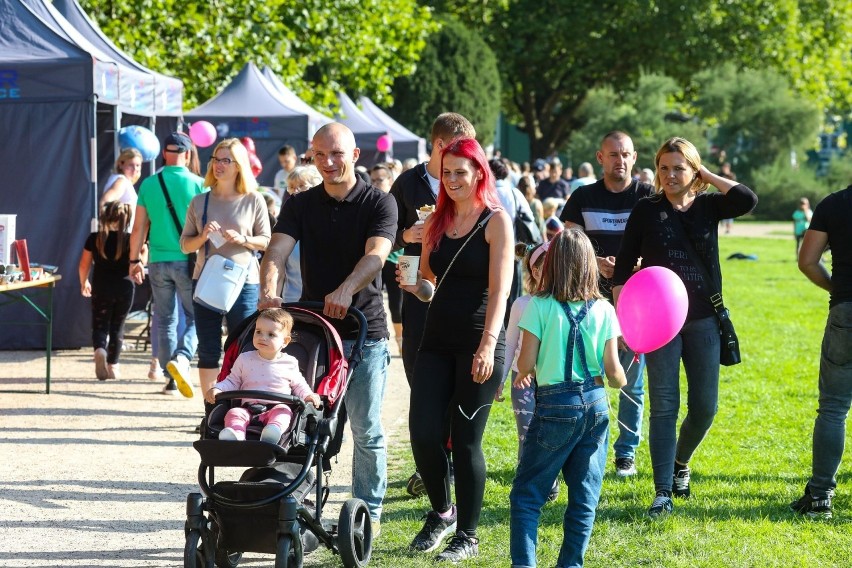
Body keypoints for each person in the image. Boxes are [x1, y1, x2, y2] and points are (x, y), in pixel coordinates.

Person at [259, 122, 397, 532]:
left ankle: (368, 514)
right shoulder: (301, 203)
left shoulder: (379, 203)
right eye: (320, 155)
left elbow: (377, 254)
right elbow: (277, 251)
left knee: (366, 428)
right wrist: (269, 291)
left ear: (355, 155)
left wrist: (345, 290)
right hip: (316, 331)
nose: (329, 162)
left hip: (364, 330)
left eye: (336, 154)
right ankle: (300, 503)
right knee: (307, 421)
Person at [612, 137, 757, 518]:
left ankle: (680, 461)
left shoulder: (709, 206)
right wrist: (625, 322)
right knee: (664, 406)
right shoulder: (646, 209)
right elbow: (624, 268)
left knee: (705, 407)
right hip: (659, 325)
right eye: (663, 168)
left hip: (704, 321)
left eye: (679, 168)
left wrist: (705, 174)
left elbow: (747, 199)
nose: (670, 175)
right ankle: (662, 491)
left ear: (693, 170)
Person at [401, 137, 513, 562]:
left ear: (479, 173)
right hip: (435, 341)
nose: (451, 180)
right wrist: (416, 286)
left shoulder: (496, 221)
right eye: (446, 173)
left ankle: (468, 534)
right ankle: (442, 511)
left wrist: (487, 345)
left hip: (478, 343)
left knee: (465, 443)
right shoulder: (437, 221)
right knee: (423, 432)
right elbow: (430, 284)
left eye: (460, 172)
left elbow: (501, 291)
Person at [509, 228, 626, 568]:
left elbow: (525, 362)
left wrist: (522, 371)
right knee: (584, 497)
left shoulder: (539, 306)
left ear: (552, 264)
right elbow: (614, 374)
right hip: (596, 403)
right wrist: (623, 374)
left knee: (527, 495)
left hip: (555, 406)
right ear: (590, 266)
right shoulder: (604, 309)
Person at [390, 112, 477, 497]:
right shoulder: (407, 184)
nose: (464, 161)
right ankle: (432, 462)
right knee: (423, 385)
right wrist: (407, 233)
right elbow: (383, 234)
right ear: (440, 146)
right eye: (458, 151)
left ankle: (447, 464)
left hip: (462, 303)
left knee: (458, 389)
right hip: (419, 297)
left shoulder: (472, 183)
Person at [559, 131, 655, 478]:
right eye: (613, 154)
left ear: (635, 156)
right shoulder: (582, 197)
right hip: (589, 300)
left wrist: (637, 262)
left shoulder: (648, 195)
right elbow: (568, 243)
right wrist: (596, 262)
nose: (621, 160)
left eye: (626, 154)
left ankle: (626, 452)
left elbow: (661, 239)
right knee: (585, 377)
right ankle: (583, 446)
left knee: (631, 380)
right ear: (600, 158)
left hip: (636, 301)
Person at [180, 138, 271, 401]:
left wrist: (243, 239)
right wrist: (203, 236)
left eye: (225, 160)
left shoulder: (254, 200)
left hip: (245, 282)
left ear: (239, 165)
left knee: (241, 346)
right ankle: (211, 409)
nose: (219, 165)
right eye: (215, 160)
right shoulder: (200, 201)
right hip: (207, 281)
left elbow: (266, 240)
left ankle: (236, 406)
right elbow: (185, 245)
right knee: (208, 348)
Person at [790, 183, 852, 519]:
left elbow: (808, 261)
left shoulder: (834, 203)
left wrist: (837, 288)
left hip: (846, 311)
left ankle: (820, 497)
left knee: (833, 408)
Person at [129, 132, 204, 395]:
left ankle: (170, 377)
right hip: (189, 260)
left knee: (165, 319)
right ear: (188, 154)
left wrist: (134, 259)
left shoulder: (149, 184)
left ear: (164, 154)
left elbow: (138, 228)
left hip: (158, 261)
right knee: (197, 316)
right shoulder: (199, 184)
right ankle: (181, 359)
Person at [496, 241, 562, 501]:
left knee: (552, 431)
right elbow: (510, 342)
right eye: (538, 267)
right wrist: (500, 379)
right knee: (527, 434)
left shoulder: (565, 304)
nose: (544, 272)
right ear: (532, 272)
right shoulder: (522, 304)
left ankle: (551, 477)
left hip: (554, 380)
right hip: (521, 381)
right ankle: (529, 483)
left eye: (550, 266)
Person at [205, 308, 321, 443]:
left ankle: (272, 432)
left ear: (285, 341)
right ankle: (236, 435)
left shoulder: (289, 362)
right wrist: (218, 388)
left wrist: (308, 395)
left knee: (284, 413)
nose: (262, 337)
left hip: (276, 406)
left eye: (271, 334)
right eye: (258, 331)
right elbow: (233, 381)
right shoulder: (244, 358)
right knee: (234, 413)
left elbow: (299, 384)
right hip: (248, 408)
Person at [78, 201, 136, 381]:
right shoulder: (130, 238)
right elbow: (141, 257)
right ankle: (113, 366)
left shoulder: (95, 238)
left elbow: (83, 265)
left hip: (102, 287)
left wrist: (84, 282)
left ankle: (100, 350)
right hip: (125, 288)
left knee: (100, 324)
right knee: (118, 326)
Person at [371, 163, 404, 352]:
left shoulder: (396, 202)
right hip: (373, 259)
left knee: (396, 303)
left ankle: (400, 339)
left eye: (380, 179)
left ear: (390, 180)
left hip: (394, 258)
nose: (376, 183)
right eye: (373, 180)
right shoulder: (367, 202)